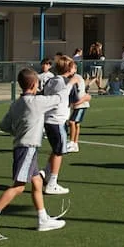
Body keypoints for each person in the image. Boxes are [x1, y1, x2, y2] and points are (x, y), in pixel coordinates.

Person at [0, 67, 67, 240]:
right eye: (38, 83)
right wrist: (70, 81)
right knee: (18, 186)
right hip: (28, 148)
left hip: (24, 147)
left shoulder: (16, 103)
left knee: (37, 181)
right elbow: (59, 98)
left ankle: (43, 218)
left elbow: (4, 126)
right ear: (33, 84)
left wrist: (19, 131)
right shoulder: (36, 102)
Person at [42, 55, 76, 195]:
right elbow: (73, 100)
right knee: (59, 152)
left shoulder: (51, 80)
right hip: (57, 120)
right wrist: (86, 96)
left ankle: (46, 173)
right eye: (73, 66)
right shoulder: (66, 82)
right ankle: (52, 183)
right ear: (69, 69)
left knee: (55, 149)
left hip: (48, 120)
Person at [65, 63, 91, 153]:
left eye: (71, 68)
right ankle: (75, 144)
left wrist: (76, 102)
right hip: (77, 104)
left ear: (75, 69)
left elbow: (79, 93)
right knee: (76, 124)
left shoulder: (76, 77)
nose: (69, 69)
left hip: (81, 104)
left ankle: (72, 142)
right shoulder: (70, 78)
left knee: (72, 122)